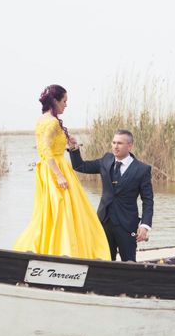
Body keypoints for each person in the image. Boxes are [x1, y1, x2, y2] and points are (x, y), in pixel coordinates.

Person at [13, 85, 111, 260]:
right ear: (55, 101)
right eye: (64, 101)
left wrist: (69, 145)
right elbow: (44, 148)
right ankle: (67, 251)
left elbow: (48, 146)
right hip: (55, 169)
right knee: (64, 210)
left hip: (46, 168)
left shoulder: (41, 119)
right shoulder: (52, 122)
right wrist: (59, 175)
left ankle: (51, 248)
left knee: (50, 211)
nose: (66, 105)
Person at [69, 129, 154, 262]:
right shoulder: (106, 160)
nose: (115, 146)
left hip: (127, 224)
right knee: (104, 260)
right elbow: (80, 166)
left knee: (129, 262)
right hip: (103, 221)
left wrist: (145, 225)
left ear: (129, 145)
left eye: (119, 143)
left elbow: (148, 200)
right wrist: (73, 149)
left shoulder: (142, 169)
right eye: (114, 142)